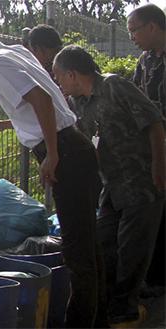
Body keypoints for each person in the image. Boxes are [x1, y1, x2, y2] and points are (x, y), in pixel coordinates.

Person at [0, 18, 106, 328]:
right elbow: (0, 96)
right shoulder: (10, 53)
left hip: (64, 150)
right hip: (73, 147)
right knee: (87, 246)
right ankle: (100, 319)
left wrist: (52, 154)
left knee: (79, 253)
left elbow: (40, 98)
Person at [52, 45, 165, 327]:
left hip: (142, 181)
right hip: (111, 185)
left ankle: (125, 308)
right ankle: (108, 305)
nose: (58, 82)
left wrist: (159, 167)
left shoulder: (115, 86)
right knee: (102, 245)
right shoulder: (79, 103)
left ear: (72, 74)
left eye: (59, 76)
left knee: (133, 250)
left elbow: (154, 124)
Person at [127, 3, 166, 295]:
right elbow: (134, 98)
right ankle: (154, 276)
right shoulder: (145, 61)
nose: (131, 36)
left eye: (134, 29)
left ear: (153, 27)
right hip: (151, 145)